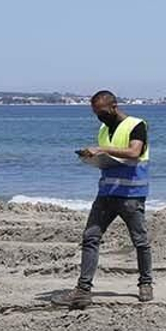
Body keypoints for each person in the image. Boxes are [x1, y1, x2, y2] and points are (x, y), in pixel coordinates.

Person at [59, 90, 154, 308]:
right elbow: (111, 157)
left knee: (140, 241)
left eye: (101, 112)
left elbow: (134, 152)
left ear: (114, 106)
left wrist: (101, 149)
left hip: (131, 194)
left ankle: (145, 283)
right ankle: (83, 289)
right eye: (95, 113)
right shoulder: (103, 129)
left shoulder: (136, 125)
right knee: (90, 237)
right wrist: (93, 158)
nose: (99, 117)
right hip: (106, 192)